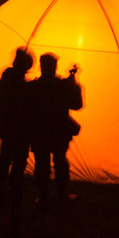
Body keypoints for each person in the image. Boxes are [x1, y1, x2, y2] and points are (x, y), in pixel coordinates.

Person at [30, 53, 83, 210]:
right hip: (58, 132)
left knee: (42, 164)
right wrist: (74, 85)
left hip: (39, 132)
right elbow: (77, 104)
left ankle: (44, 197)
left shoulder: (34, 87)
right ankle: (61, 194)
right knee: (60, 162)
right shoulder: (62, 86)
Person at [0, 48, 34, 208]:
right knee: (18, 160)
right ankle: (13, 187)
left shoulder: (7, 77)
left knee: (5, 157)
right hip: (19, 129)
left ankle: (2, 188)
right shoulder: (20, 85)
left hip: (7, 126)